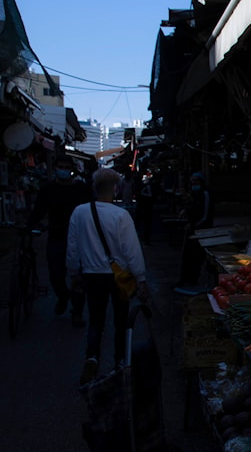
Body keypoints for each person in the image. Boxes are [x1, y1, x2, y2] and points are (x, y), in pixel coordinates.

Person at [67, 169, 151, 384]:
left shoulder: (79, 212)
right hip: (118, 277)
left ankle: (92, 357)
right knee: (121, 320)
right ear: (115, 189)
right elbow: (132, 250)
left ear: (94, 189)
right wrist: (141, 278)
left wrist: (73, 272)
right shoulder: (120, 215)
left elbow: (73, 247)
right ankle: (120, 362)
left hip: (92, 275)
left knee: (96, 320)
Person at [28, 154, 93, 327]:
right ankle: (63, 295)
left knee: (78, 277)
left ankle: (77, 312)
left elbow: (91, 212)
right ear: (55, 169)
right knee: (56, 275)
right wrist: (29, 225)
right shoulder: (48, 189)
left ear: (72, 170)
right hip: (56, 236)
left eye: (66, 167)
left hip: (79, 238)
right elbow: (38, 211)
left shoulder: (82, 189)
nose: (63, 170)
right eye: (60, 167)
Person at [176, 172, 215, 286]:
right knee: (187, 256)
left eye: (196, 181)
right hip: (191, 228)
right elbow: (192, 207)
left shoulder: (206, 193)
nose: (194, 184)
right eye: (192, 181)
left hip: (201, 230)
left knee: (197, 257)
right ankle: (184, 279)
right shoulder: (194, 193)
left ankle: (193, 280)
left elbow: (206, 215)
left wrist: (195, 225)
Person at [135, 170, 157, 245]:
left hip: (144, 207)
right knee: (145, 224)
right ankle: (144, 238)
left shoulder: (143, 186)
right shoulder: (145, 186)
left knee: (144, 223)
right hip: (145, 207)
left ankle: (144, 238)